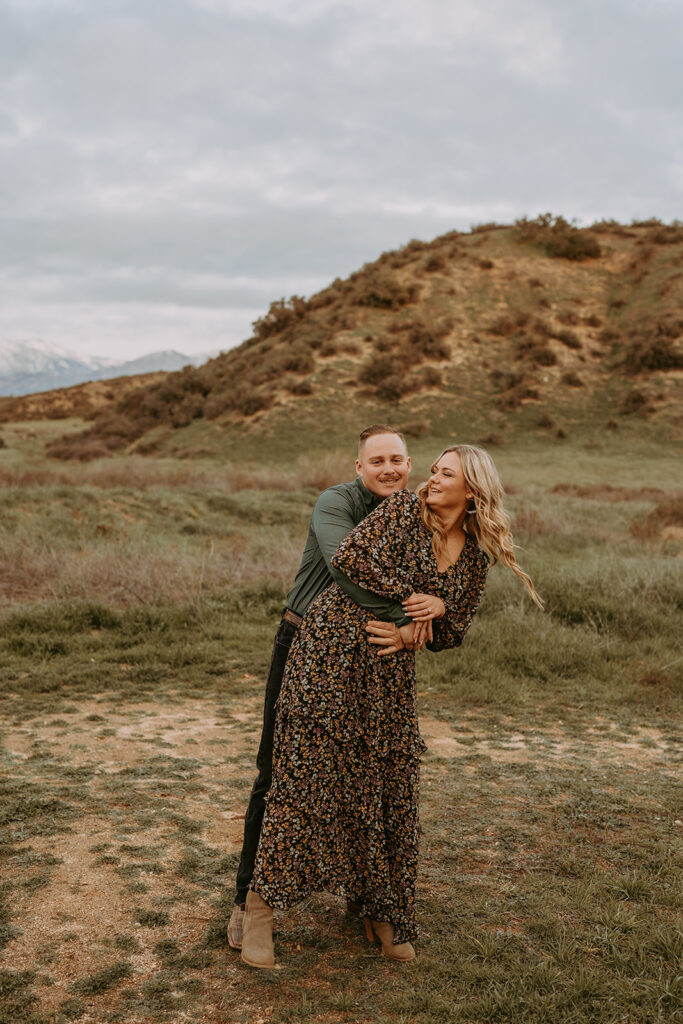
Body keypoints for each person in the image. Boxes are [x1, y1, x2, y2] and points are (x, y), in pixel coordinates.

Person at [240, 444, 541, 968]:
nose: (432, 479)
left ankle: (383, 911)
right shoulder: (403, 511)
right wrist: (411, 610)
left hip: (389, 674)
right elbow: (351, 559)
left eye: (446, 474)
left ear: (472, 488)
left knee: (388, 785)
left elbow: (454, 632)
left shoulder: (473, 553)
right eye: (434, 470)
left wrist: (437, 610)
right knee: (305, 779)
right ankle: (259, 910)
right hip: (330, 653)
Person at [228, 424, 418, 949]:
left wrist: (435, 613)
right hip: (302, 644)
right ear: (359, 468)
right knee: (279, 772)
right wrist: (408, 617)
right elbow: (349, 571)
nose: (388, 469)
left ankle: (370, 899)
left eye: (397, 459)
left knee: (370, 776)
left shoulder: (414, 513)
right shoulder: (335, 502)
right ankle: (246, 900)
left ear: (409, 464)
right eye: (376, 460)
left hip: (371, 657)